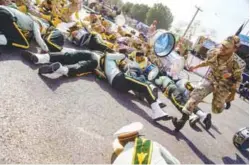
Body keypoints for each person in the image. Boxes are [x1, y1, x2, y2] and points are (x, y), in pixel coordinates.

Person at [172, 35, 243, 131]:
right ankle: (182, 121)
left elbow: (238, 79)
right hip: (211, 80)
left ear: (235, 49)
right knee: (195, 96)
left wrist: (230, 80)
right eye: (223, 45)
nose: (223, 48)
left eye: (227, 47)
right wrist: (195, 67)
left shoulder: (238, 63)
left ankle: (225, 103)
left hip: (224, 85)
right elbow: (208, 62)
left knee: (216, 109)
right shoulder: (214, 52)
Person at [100, 52, 168, 121]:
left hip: (117, 85)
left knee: (139, 85)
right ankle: (157, 110)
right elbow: (122, 55)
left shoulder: (106, 69)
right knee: (145, 86)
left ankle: (154, 102)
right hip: (119, 78)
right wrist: (124, 54)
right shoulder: (108, 56)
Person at [112, 122, 180, 164]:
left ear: (122, 144)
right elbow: (175, 162)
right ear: (138, 137)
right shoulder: (152, 144)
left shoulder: (118, 161)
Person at [21, 50, 102, 78]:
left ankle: (38, 58)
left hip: (93, 54)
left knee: (68, 56)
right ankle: (60, 69)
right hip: (97, 63)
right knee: (80, 66)